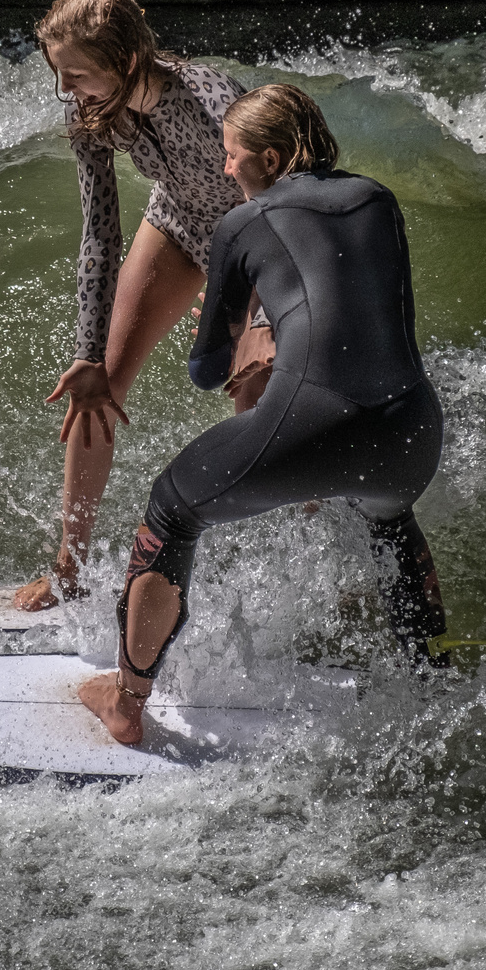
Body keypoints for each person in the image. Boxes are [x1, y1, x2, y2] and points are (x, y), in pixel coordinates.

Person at [78, 83, 451, 746]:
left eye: (231, 155)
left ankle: (126, 700)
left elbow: (206, 371)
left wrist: (248, 338)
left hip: (316, 422)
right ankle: (432, 679)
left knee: (172, 507)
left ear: (271, 159)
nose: (226, 169)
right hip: (413, 430)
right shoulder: (377, 200)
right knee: (388, 516)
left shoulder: (241, 224)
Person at [15, 0, 271, 612]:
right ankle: (68, 568)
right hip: (179, 225)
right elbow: (99, 235)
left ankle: (314, 563)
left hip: (257, 241)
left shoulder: (213, 101)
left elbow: (273, 211)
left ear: (124, 60)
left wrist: (233, 300)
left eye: (75, 74)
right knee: (96, 386)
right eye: (59, 75)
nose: (65, 90)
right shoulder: (94, 119)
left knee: (259, 397)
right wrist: (86, 349)